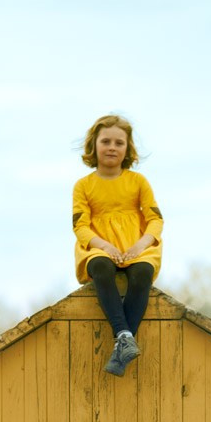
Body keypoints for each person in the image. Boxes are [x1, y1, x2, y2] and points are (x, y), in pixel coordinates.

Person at [72, 113, 163, 376]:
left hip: (136, 245)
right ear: (94, 145)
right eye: (106, 141)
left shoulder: (138, 182)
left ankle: (122, 343)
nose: (112, 147)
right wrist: (104, 246)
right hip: (99, 245)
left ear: (127, 148)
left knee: (142, 271)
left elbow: (155, 220)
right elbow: (80, 226)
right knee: (100, 265)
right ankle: (124, 334)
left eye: (119, 143)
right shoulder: (83, 186)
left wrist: (141, 245)